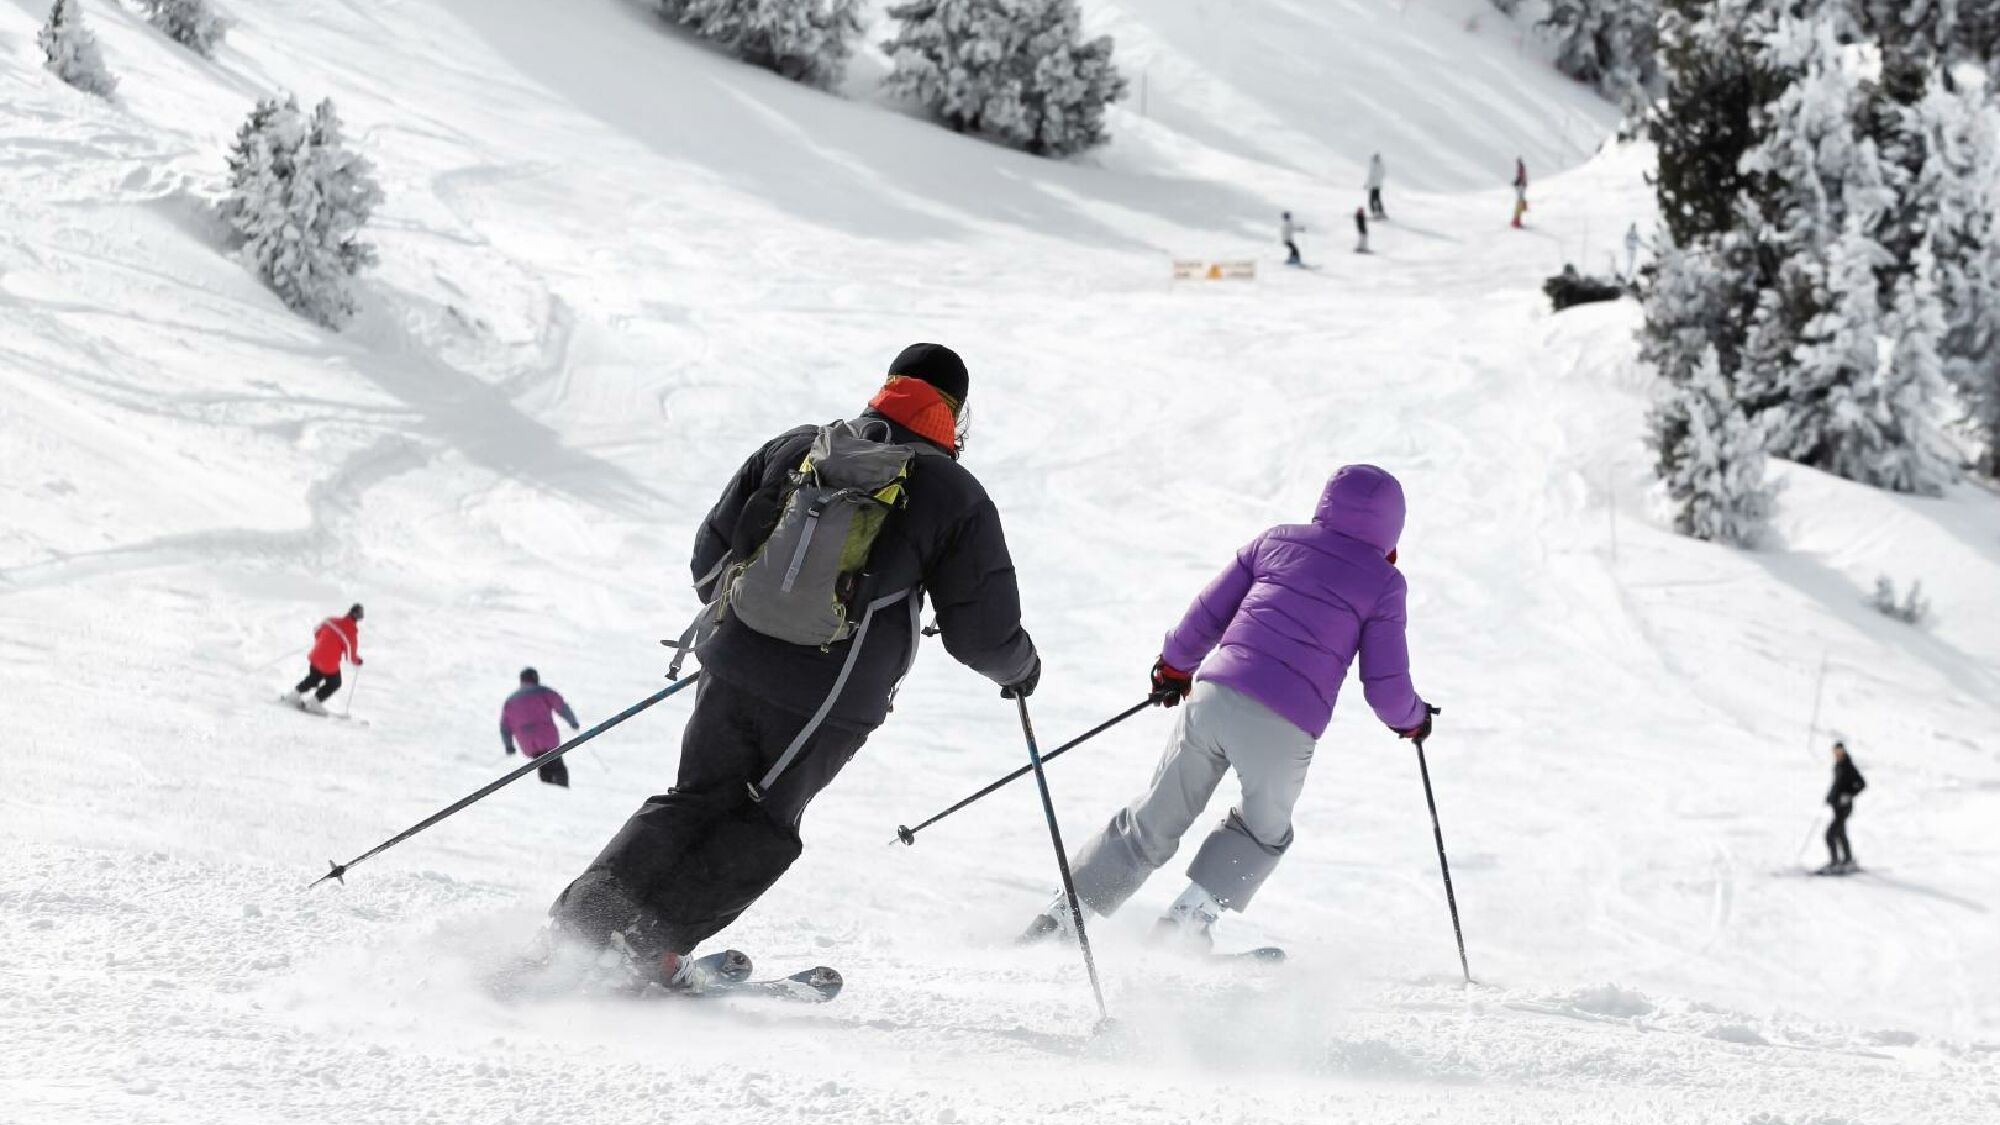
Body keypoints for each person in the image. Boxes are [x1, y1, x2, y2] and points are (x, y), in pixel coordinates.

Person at [545, 343, 1040, 988]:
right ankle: (639, 948)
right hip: (829, 693)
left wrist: (756, 625)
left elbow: (708, 562)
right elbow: (981, 632)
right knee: (762, 823)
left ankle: (585, 929)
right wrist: (1020, 669)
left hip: (732, 657)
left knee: (694, 799)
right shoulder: (954, 494)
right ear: (954, 412)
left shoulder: (803, 446)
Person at [1024, 465, 1431, 950]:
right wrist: (1413, 720)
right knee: (1264, 830)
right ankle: (1184, 926)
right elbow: (1385, 687)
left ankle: (1065, 916)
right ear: (1392, 533)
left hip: (1216, 696)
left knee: (1156, 818)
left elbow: (1207, 613)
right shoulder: (1384, 582)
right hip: (1285, 726)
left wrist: (1174, 667)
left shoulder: (1278, 540)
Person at [503, 668, 581, 787]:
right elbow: (561, 706)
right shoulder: (543, 691)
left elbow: (505, 727)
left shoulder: (510, 701)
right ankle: (562, 790)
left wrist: (509, 746)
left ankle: (547, 787)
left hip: (527, 742)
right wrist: (573, 722)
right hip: (546, 737)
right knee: (557, 765)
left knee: (542, 766)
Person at [288, 604, 363, 715]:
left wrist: (323, 643)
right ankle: (315, 702)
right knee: (335, 683)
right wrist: (358, 661)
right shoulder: (351, 632)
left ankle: (294, 695)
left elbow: (316, 631)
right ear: (358, 616)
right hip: (329, 663)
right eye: (361, 614)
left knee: (314, 678)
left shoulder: (330, 620)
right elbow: (350, 657)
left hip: (315, 656)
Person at [1822, 740, 1867, 873]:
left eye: (1839, 751)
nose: (1837, 754)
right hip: (1837, 807)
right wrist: (1830, 797)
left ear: (1843, 751)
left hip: (1845, 807)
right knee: (1840, 833)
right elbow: (1837, 785)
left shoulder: (1848, 766)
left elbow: (1862, 784)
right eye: (1835, 751)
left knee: (1830, 834)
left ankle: (1835, 862)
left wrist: (1849, 795)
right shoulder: (1838, 765)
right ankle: (1847, 860)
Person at [1365, 153, 1388, 220]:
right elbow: (1383, 174)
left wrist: (1368, 185)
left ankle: (1375, 213)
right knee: (1377, 198)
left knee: (1373, 199)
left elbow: (1371, 176)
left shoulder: (1374, 166)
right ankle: (1381, 212)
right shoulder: (1381, 165)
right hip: (1378, 185)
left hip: (1373, 185)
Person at [1511, 157, 1529, 229]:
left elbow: (1520, 178)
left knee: (1519, 203)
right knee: (1519, 202)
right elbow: (1520, 178)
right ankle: (1517, 219)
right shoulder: (1521, 168)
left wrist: (1517, 182)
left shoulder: (1521, 168)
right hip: (1521, 187)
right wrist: (1516, 182)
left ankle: (1517, 221)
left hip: (1521, 187)